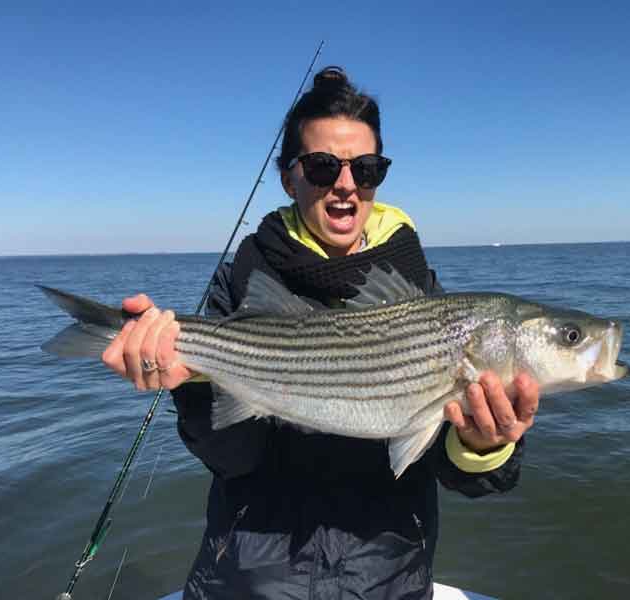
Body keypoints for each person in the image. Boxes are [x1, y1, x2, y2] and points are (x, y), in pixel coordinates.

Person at [102, 66, 540, 599]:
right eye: (322, 165)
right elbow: (233, 459)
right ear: (289, 178)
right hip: (247, 581)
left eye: (368, 167)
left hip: (388, 582)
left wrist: (482, 445)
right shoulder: (244, 279)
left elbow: (457, 474)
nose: (346, 185)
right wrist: (191, 385)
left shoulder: (419, 287)